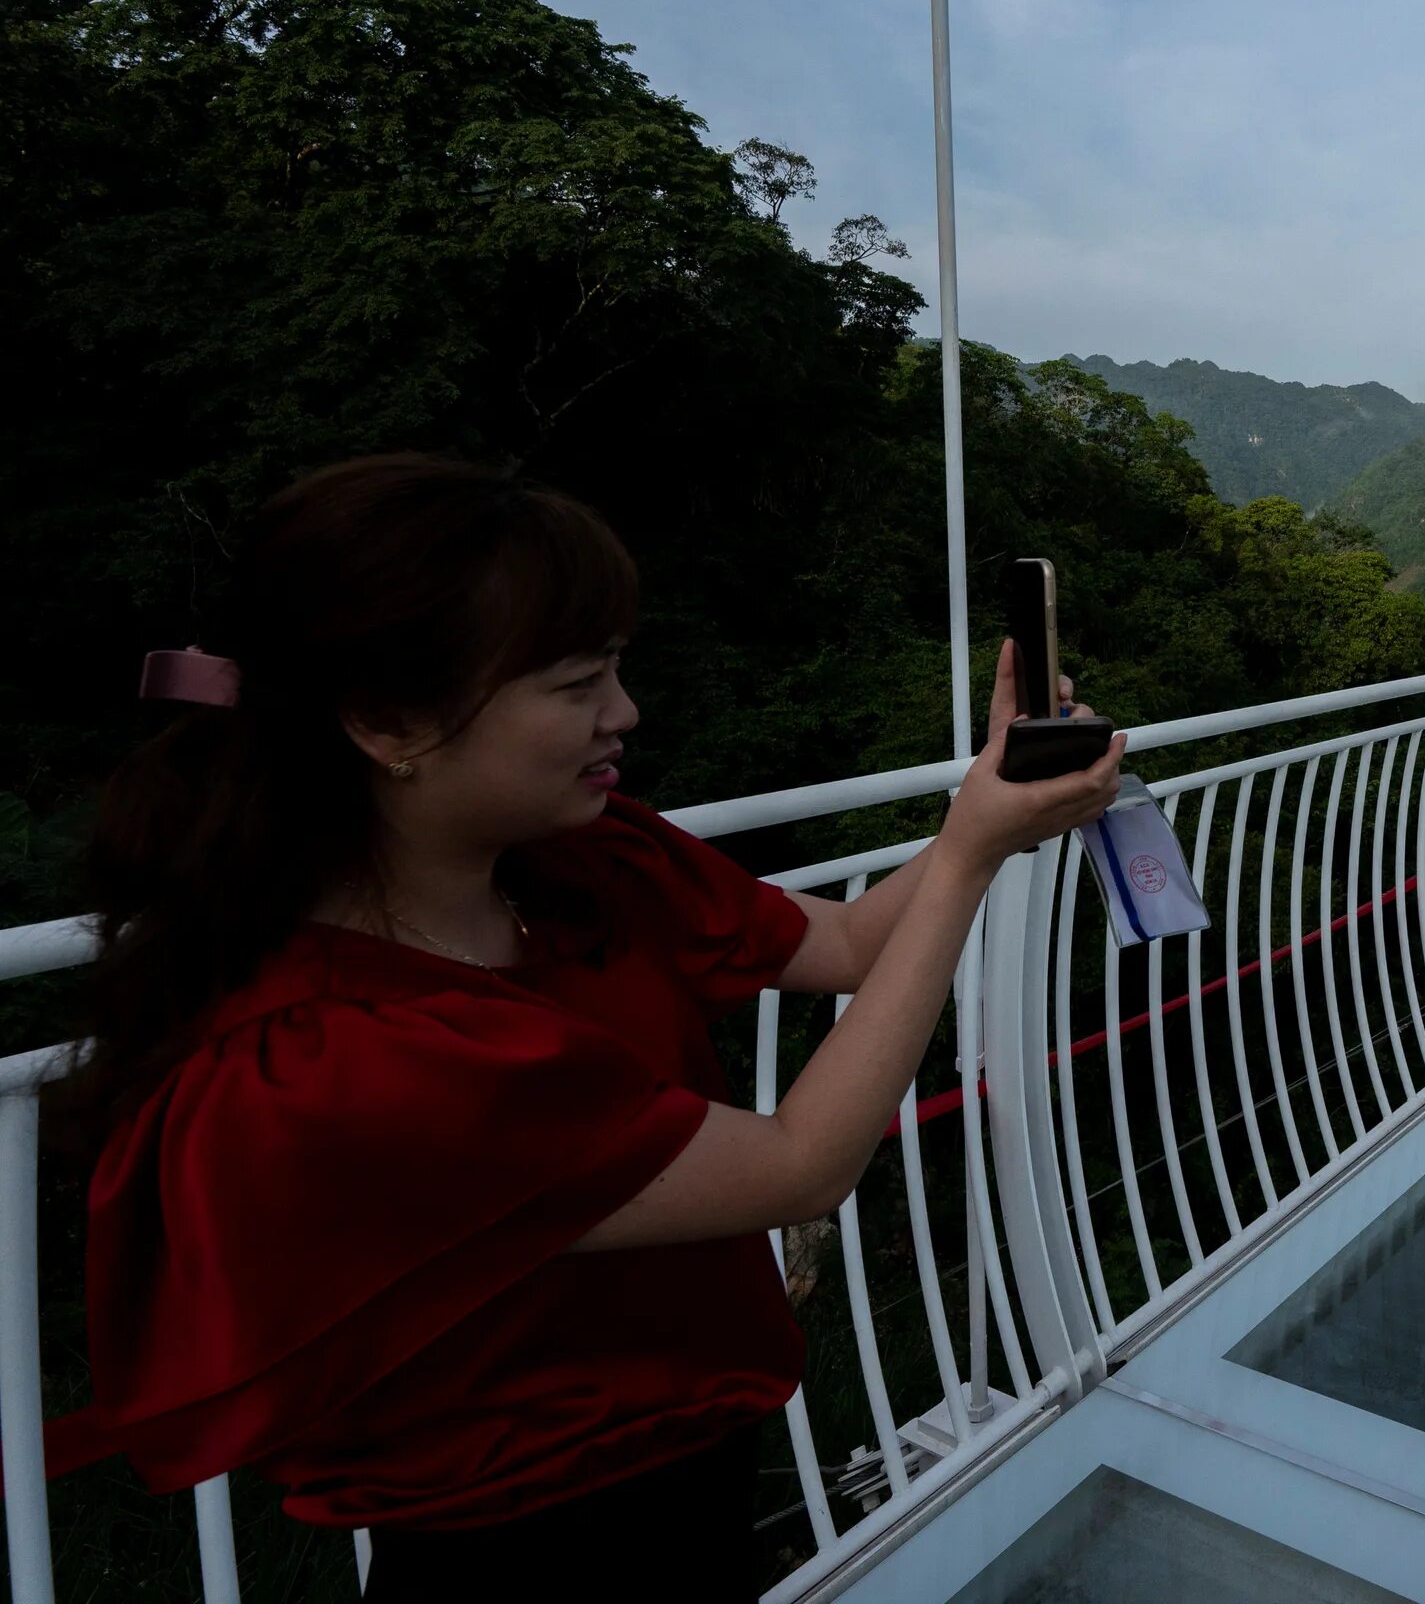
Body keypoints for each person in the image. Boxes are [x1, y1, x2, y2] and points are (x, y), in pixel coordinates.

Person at [47, 456, 1123, 1597]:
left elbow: (852, 946)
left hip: (695, 1467)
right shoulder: (343, 1054)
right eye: (576, 682)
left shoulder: (580, 859)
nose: (624, 712)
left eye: (614, 666)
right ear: (387, 720)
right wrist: (966, 856)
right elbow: (800, 1165)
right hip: (528, 1541)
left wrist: (987, 805)